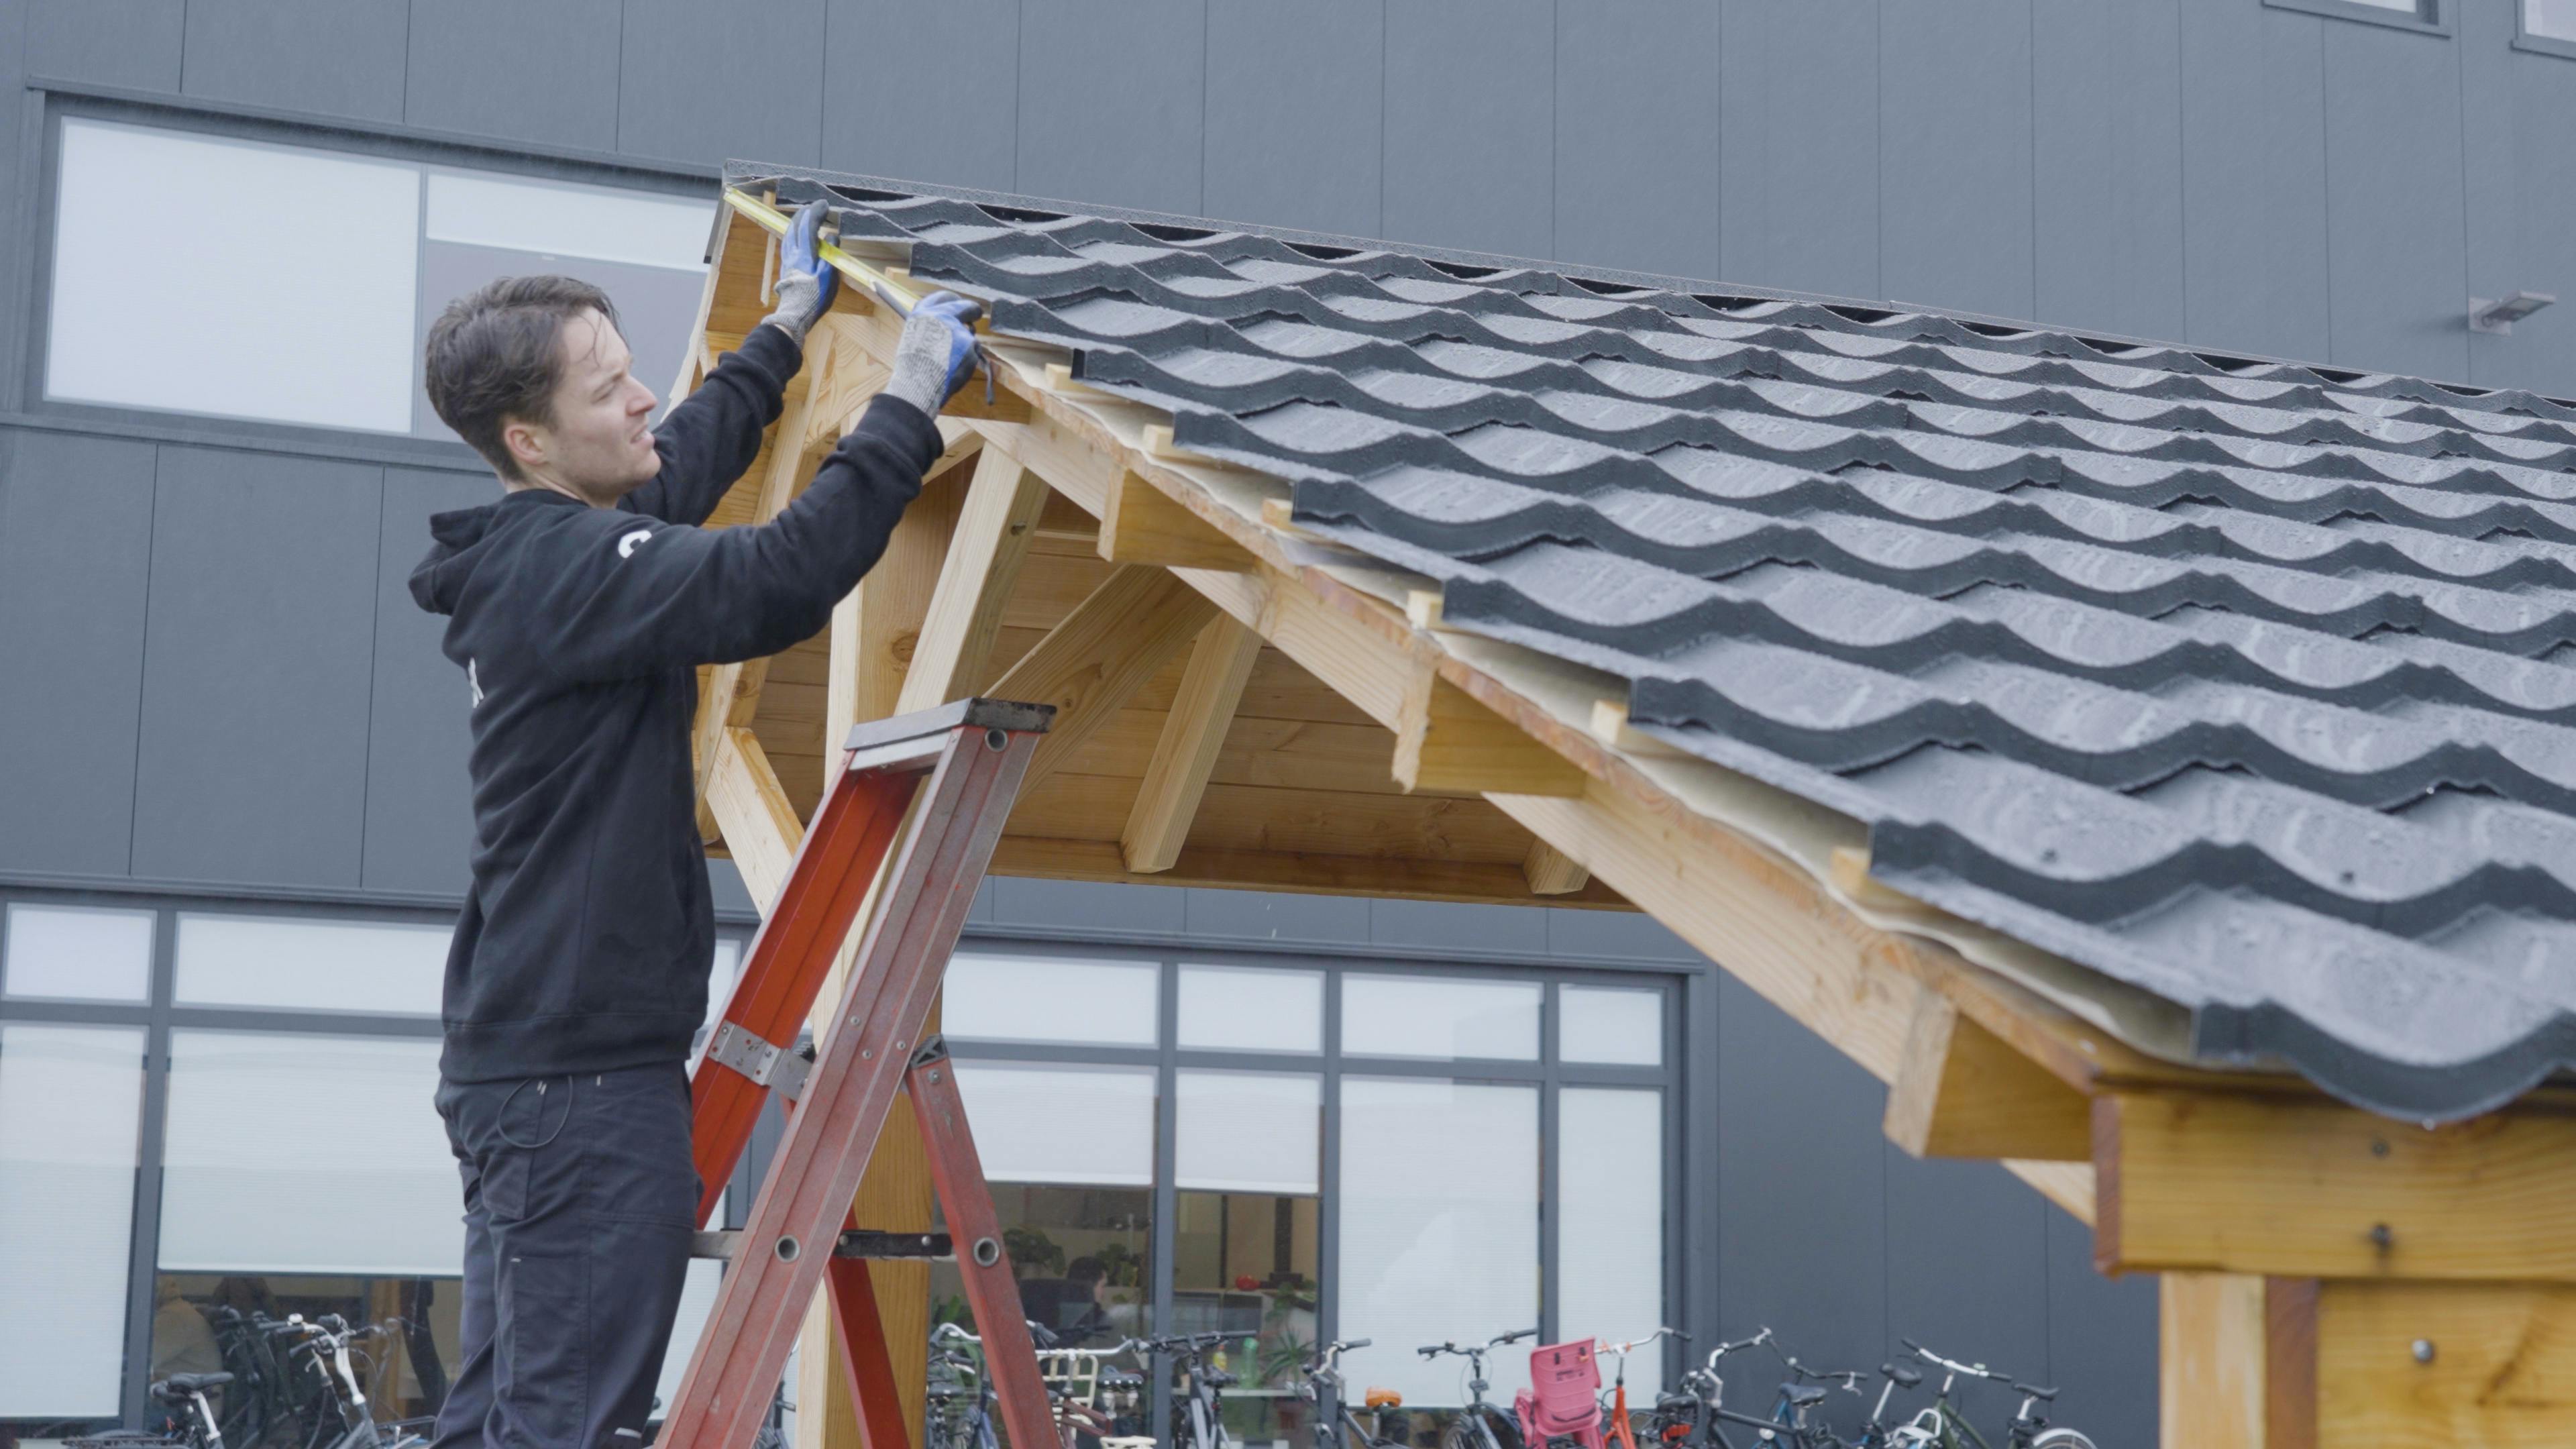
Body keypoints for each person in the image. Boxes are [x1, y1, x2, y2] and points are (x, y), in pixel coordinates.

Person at [411, 199, 985, 1449]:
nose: (641, 402)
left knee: (509, 1421)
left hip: (537, 1072)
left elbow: (685, 454)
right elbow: (775, 578)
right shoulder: (561, 573)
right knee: (564, 1428)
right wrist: (905, 407)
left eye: (633, 373)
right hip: (578, 1086)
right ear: (529, 439)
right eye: (610, 388)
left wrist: (784, 332)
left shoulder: (559, 543)